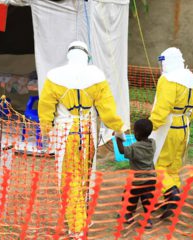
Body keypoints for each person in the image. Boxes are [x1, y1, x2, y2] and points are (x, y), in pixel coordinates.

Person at [38, 41, 126, 238]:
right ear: (86, 56)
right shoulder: (96, 77)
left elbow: (45, 108)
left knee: (69, 179)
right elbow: (108, 111)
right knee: (84, 176)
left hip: (64, 133)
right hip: (87, 133)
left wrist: (46, 130)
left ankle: (76, 226)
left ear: (69, 55)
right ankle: (82, 218)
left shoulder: (54, 77)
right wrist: (119, 130)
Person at [149, 47, 193, 219]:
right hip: (184, 127)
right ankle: (170, 203)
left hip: (168, 127)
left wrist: (150, 126)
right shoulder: (192, 80)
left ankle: (171, 193)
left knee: (157, 165)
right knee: (173, 167)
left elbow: (162, 108)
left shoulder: (168, 79)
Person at [116, 119, 156, 230]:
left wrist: (118, 138)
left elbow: (122, 150)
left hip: (137, 181)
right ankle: (147, 221)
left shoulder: (135, 147)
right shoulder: (153, 143)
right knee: (146, 200)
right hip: (151, 179)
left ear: (137, 134)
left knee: (129, 197)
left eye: (134, 131)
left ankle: (127, 216)